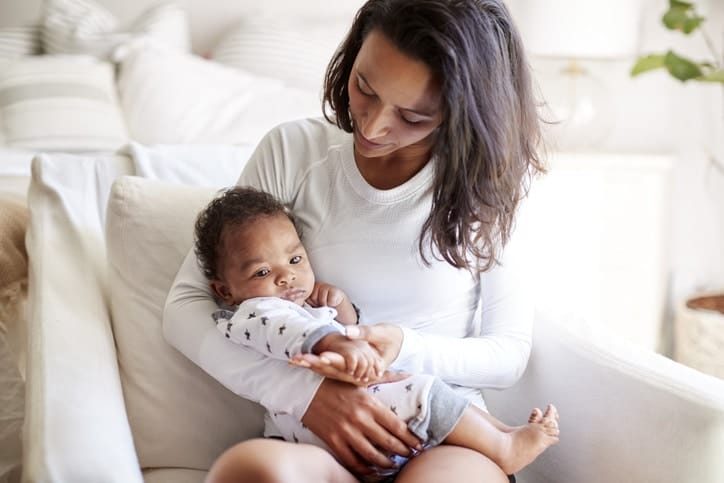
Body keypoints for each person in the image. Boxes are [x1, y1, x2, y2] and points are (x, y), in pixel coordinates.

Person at [163, 0, 547, 481]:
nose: (374, 125)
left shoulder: (489, 185)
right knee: (250, 470)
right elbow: (186, 307)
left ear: (461, 111)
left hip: (443, 439)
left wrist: (398, 346)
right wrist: (306, 396)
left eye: (412, 116)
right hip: (312, 439)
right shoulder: (292, 151)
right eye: (364, 86)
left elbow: (508, 352)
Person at [192, 186, 559, 481]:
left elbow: (508, 354)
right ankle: (503, 443)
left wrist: (343, 311)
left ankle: (501, 437)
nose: (286, 277)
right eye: (261, 272)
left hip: (422, 451)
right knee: (422, 391)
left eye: (294, 260)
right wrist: (334, 339)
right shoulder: (255, 312)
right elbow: (290, 332)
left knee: (428, 391)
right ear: (224, 291)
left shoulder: (487, 196)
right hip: (328, 441)